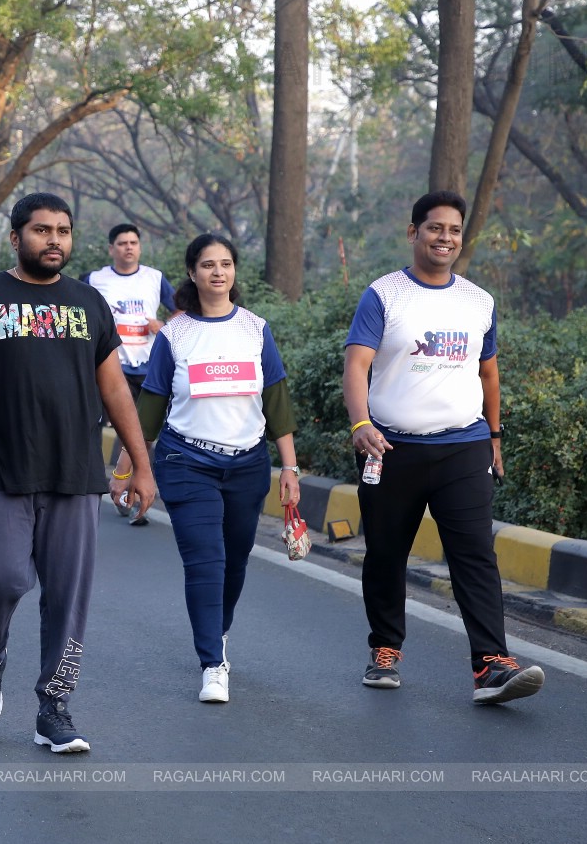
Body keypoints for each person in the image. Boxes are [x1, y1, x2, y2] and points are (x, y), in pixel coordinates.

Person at [0, 192, 156, 753]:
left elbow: (114, 389)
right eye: (41, 231)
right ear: (16, 239)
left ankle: (54, 707)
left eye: (63, 230)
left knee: (68, 595)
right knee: (1, 576)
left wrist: (139, 463)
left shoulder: (89, 303)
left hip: (74, 471)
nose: (54, 240)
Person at [343, 190, 544, 705]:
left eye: (454, 231)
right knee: (386, 554)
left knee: (474, 555)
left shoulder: (478, 301)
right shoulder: (383, 295)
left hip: (464, 447)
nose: (445, 239)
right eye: (435, 229)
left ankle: (491, 666)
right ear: (414, 233)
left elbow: (489, 372)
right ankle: (385, 648)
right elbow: (357, 365)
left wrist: (495, 437)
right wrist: (360, 424)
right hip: (391, 449)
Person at [111, 234, 300, 703]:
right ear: (192, 274)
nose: (218, 272)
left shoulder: (256, 329)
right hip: (186, 462)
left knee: (234, 562)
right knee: (205, 563)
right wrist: (128, 468)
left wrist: (290, 467)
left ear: (235, 272)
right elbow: (150, 407)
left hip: (248, 465)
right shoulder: (175, 334)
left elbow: (275, 401)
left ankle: (218, 633)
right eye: (208, 265)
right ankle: (212, 664)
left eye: (226, 264)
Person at [88, 224, 177, 526]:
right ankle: (89, 488)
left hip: (148, 366)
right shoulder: (96, 279)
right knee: (91, 425)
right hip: (107, 365)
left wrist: (164, 324)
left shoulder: (154, 278)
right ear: (111, 248)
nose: (128, 247)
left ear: (139, 248)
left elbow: (184, 310)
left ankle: (131, 491)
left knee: (142, 433)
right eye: (122, 243)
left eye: (133, 242)